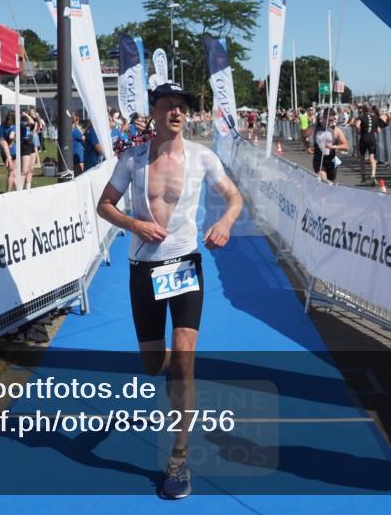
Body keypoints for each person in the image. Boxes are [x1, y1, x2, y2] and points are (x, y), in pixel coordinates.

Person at [96, 82, 243, 500]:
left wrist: (225, 222)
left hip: (183, 266)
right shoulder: (132, 159)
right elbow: (104, 205)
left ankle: (179, 456)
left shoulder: (202, 157)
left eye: (182, 107)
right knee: (152, 364)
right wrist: (134, 224)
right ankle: (169, 376)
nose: (177, 112)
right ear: (154, 111)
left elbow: (234, 198)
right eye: (168, 105)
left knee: (183, 359)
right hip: (143, 268)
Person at [312, 109, 349, 184]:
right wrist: (306, 147)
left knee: (331, 183)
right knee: (323, 181)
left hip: (332, 160)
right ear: (324, 118)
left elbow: (346, 146)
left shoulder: (336, 130)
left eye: (333, 120)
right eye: (329, 120)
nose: (331, 122)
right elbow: (303, 135)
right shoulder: (315, 128)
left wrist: (334, 147)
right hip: (319, 160)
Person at [356, 103, 386, 185]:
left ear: (363, 109)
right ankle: (373, 174)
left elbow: (357, 125)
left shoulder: (361, 117)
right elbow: (378, 130)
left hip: (363, 138)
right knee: (372, 157)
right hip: (372, 139)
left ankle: (363, 175)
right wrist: (374, 129)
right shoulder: (375, 118)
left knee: (362, 157)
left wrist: (359, 131)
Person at [18, 110, 37, 189]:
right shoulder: (20, 123)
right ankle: (20, 189)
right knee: (24, 170)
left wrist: (26, 115)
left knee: (30, 169)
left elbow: (34, 124)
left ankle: (28, 188)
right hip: (24, 146)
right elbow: (32, 122)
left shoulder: (26, 122)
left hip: (31, 145)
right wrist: (26, 115)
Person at [3, 111, 19, 192]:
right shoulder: (13, 127)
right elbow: (11, 136)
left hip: (6, 151)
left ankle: (18, 191)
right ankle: (8, 192)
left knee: (13, 172)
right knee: (11, 172)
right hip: (11, 151)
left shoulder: (3, 126)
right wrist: (11, 142)